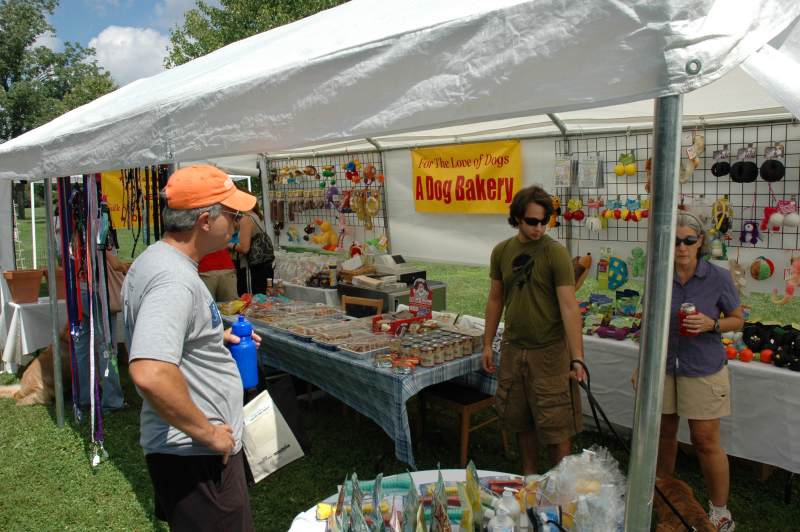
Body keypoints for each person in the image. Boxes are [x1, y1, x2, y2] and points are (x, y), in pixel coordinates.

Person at [123, 165, 261, 531]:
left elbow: (168, 338)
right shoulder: (173, 279)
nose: (236, 222)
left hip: (186, 452)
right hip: (195, 455)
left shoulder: (158, 260)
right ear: (204, 220)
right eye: (231, 214)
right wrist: (209, 433)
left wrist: (216, 339)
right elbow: (149, 371)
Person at [633, 210, 743, 532]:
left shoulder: (718, 278)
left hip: (703, 367)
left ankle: (720, 511)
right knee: (664, 435)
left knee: (705, 440)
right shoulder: (658, 275)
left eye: (688, 241)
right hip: (663, 366)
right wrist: (641, 366)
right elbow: (648, 324)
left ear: (700, 243)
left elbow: (738, 319)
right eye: (675, 241)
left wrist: (712, 324)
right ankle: (663, 499)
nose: (681, 247)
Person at [481, 185, 586, 479]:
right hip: (514, 348)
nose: (539, 228)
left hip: (550, 351)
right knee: (520, 418)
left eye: (545, 221)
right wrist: (488, 343)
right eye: (532, 221)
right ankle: (529, 478)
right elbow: (495, 299)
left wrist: (577, 358)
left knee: (556, 423)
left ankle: (559, 483)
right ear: (517, 218)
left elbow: (569, 306)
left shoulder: (556, 253)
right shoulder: (501, 251)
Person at [73, 247, 129, 411]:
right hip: (98, 290)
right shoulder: (96, 223)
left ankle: (85, 397)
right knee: (107, 346)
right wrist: (125, 267)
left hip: (78, 289)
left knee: (82, 347)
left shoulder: (64, 226)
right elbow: (112, 261)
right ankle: (112, 401)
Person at [230, 203, 274, 295]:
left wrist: (230, 245)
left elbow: (245, 248)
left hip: (251, 268)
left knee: (250, 299)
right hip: (263, 265)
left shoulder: (246, 219)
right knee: (262, 299)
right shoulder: (256, 216)